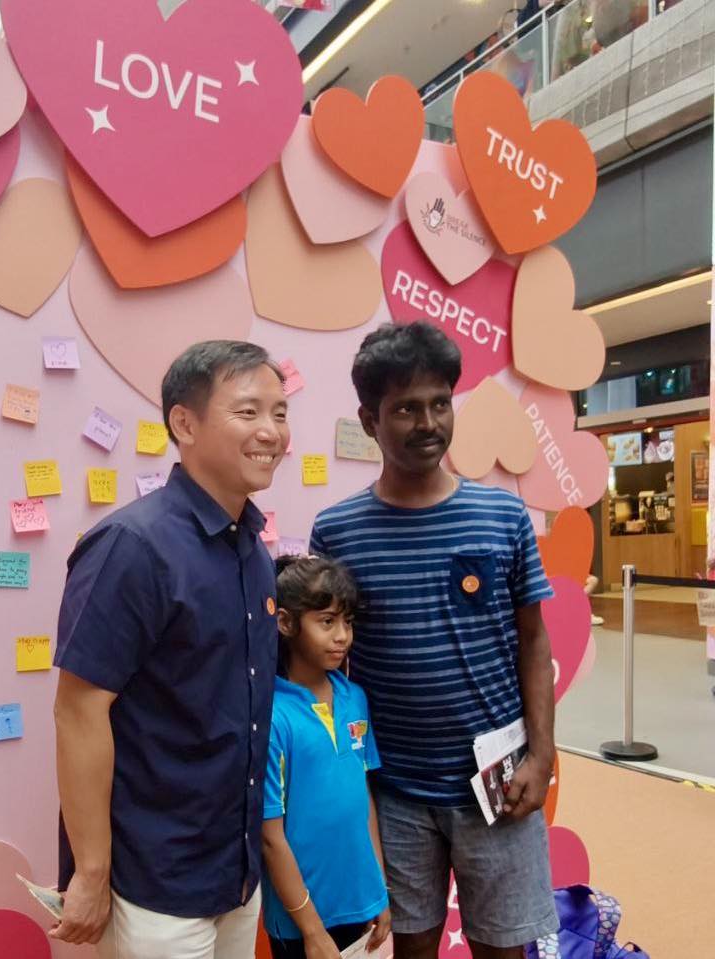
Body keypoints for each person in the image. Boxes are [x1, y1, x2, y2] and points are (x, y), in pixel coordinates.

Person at [310, 322, 558, 959]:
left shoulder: (502, 515)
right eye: (405, 409)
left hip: (497, 782)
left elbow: (534, 641)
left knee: (503, 949)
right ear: (370, 421)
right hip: (391, 788)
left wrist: (542, 756)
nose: (428, 423)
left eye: (439, 404)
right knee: (408, 947)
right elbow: (325, 658)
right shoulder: (336, 531)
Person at [52, 340, 290, 958]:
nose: (270, 432)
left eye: (281, 413)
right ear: (184, 423)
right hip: (152, 880)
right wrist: (91, 872)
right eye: (248, 412)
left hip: (234, 872)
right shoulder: (132, 547)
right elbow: (79, 712)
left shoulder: (255, 549)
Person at [261, 554, 391, 959]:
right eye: (327, 621)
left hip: (359, 905)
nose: (342, 636)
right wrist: (312, 931)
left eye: (347, 622)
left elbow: (363, 799)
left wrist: (379, 891)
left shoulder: (355, 697)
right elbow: (270, 837)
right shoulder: (271, 716)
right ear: (286, 623)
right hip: (301, 922)